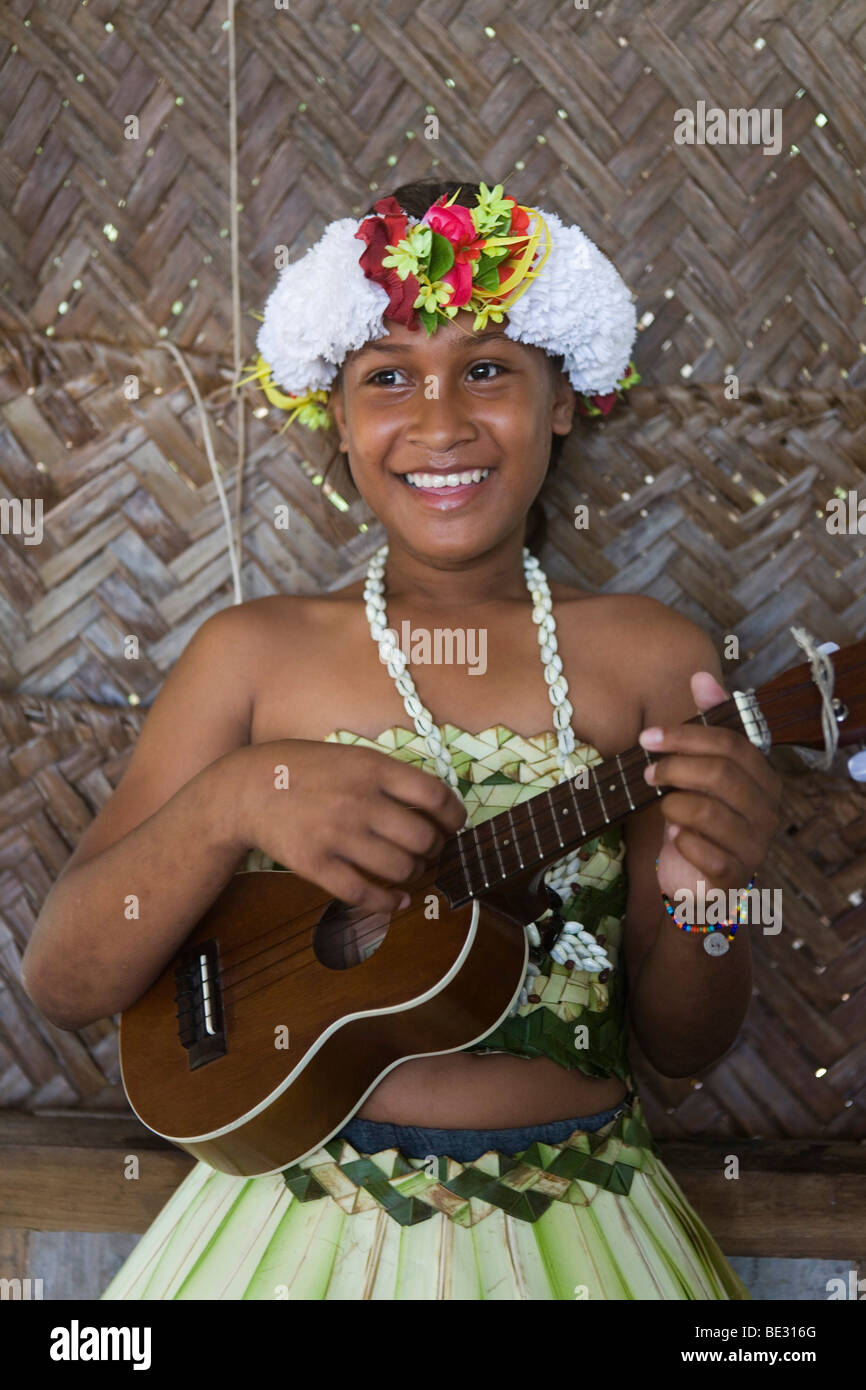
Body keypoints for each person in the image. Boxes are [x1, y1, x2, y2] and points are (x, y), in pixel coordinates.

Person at [21, 177, 781, 1300]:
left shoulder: (649, 660)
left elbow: (678, 1045)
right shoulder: (254, 654)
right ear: (335, 410)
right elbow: (65, 975)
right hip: (285, 1231)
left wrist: (709, 893)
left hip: (575, 1227)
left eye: (485, 368)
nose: (439, 422)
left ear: (560, 398)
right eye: (388, 377)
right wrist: (236, 798)